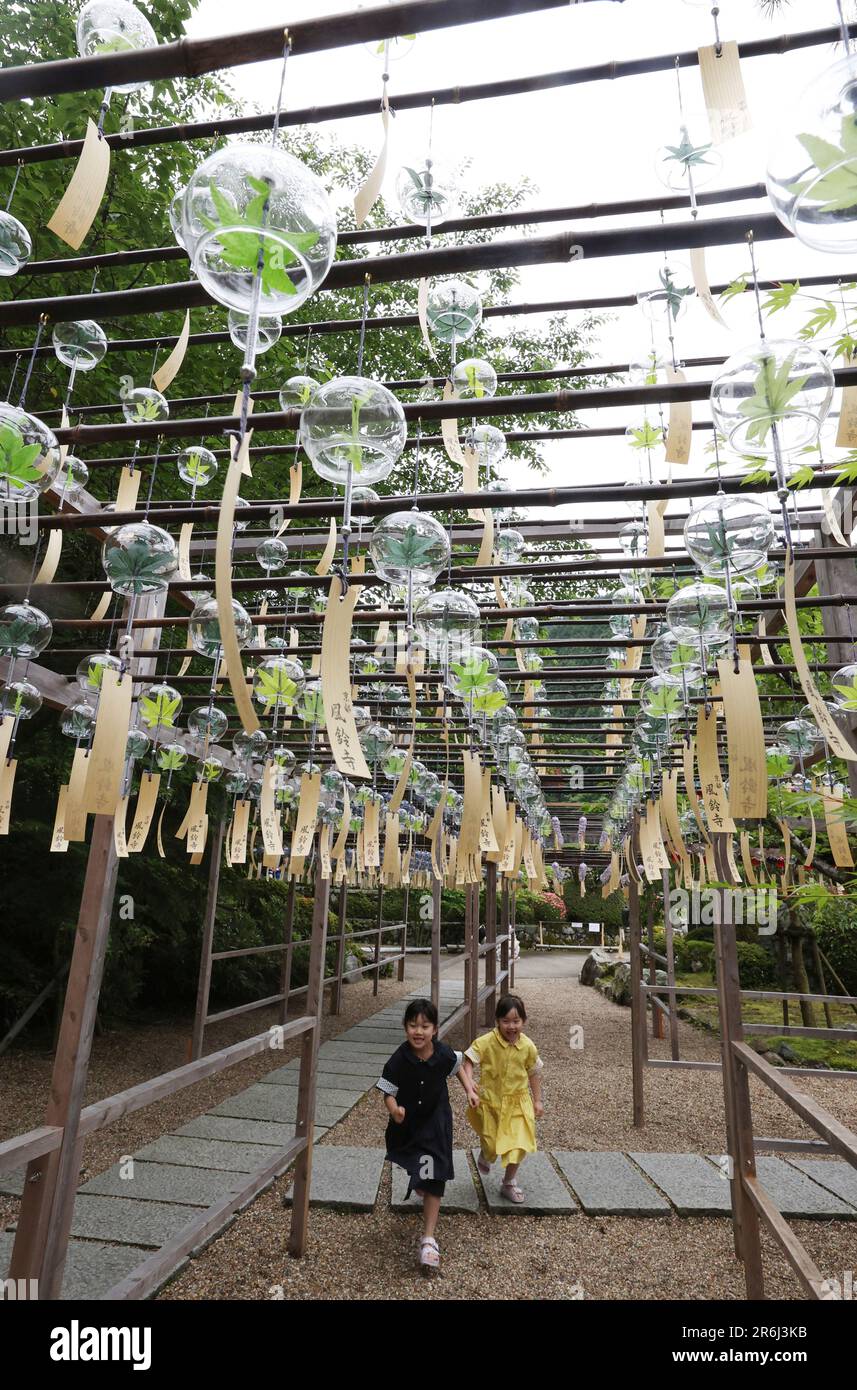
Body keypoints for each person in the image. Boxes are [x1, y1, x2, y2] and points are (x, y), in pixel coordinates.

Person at [377, 998, 479, 1272]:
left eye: (425, 1026)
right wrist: (394, 1109)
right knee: (420, 1163)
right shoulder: (400, 1057)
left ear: (435, 1029)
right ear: (405, 1028)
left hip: (436, 1121)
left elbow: (458, 1067)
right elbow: (387, 1088)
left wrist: (470, 1090)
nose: (418, 1031)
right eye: (413, 1025)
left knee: (435, 1172)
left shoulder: (442, 1053)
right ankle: (422, 1178)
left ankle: (429, 1239)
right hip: (409, 1124)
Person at [461, 993, 543, 1204]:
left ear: (523, 1021)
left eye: (516, 1021)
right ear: (497, 1021)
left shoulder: (528, 1046)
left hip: (518, 1103)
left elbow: (534, 1072)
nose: (511, 1026)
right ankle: (486, 1154)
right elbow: (469, 1059)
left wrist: (537, 1100)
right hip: (491, 1102)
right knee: (491, 1142)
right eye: (505, 1021)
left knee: (519, 1144)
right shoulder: (487, 1042)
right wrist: (469, 1083)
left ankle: (508, 1183)